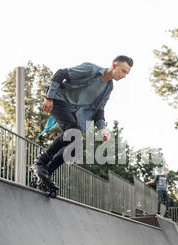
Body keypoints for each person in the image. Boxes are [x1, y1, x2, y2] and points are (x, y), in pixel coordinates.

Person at [33, 55, 133, 186]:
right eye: (123, 71)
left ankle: (46, 174)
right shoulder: (91, 69)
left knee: (75, 148)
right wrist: (49, 97)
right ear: (114, 66)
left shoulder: (108, 88)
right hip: (59, 100)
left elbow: (99, 110)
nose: (124, 75)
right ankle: (40, 162)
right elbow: (61, 73)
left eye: (127, 73)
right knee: (74, 131)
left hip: (74, 113)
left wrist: (102, 129)